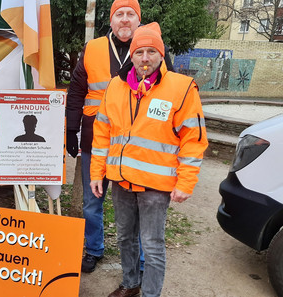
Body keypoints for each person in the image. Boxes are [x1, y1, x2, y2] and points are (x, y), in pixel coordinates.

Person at [90, 22, 208, 297]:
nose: (145, 58)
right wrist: (97, 173)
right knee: (124, 238)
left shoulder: (181, 88)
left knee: (152, 245)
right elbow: (102, 134)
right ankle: (130, 284)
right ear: (131, 56)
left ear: (161, 54)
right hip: (120, 181)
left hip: (157, 186)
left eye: (151, 52)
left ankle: (150, 294)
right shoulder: (115, 87)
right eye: (139, 52)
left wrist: (186, 183)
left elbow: (193, 139)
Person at [66, 0, 174, 273]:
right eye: (119, 15)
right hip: (96, 139)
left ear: (138, 20)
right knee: (93, 202)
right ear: (111, 20)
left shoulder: (154, 48)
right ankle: (94, 249)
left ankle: (141, 259)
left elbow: (171, 93)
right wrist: (71, 128)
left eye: (130, 15)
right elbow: (77, 90)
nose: (125, 20)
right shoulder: (93, 48)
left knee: (138, 206)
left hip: (138, 145)